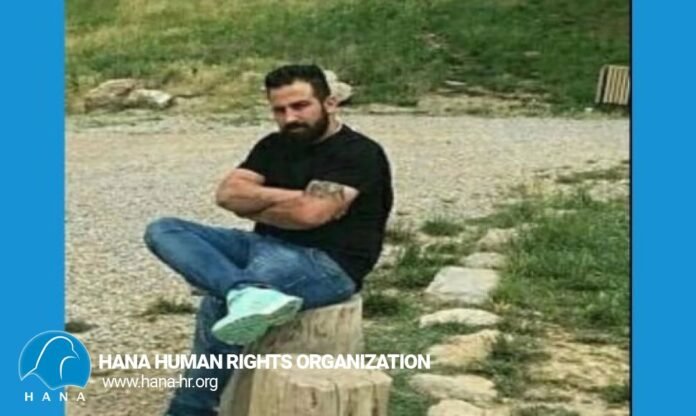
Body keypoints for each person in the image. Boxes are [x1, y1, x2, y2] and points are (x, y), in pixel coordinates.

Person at [143, 64, 394, 416]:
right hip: (262, 245)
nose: (290, 118)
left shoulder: (359, 152)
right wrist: (297, 198)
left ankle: (190, 409)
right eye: (280, 109)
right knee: (164, 229)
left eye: (300, 106)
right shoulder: (273, 145)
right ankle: (242, 290)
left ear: (330, 103)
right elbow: (227, 194)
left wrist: (259, 204)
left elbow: (310, 215)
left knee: (220, 302)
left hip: (328, 264)